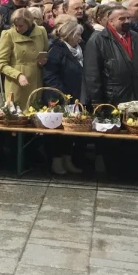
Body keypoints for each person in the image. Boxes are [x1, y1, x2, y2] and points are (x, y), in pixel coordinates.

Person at [83, 6, 138, 109]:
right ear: (111, 21)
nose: (127, 21)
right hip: (113, 98)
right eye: (121, 19)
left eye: (128, 18)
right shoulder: (98, 40)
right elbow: (92, 73)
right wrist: (96, 100)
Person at [44, 15, 86, 174]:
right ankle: (56, 161)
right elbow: (50, 75)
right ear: (68, 35)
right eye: (77, 35)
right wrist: (62, 95)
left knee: (71, 131)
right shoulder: (56, 50)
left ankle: (68, 160)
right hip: (59, 97)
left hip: (76, 96)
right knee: (57, 132)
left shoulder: (79, 50)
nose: (81, 39)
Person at [0, 8, 48, 108]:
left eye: (21, 26)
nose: (17, 28)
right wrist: (18, 75)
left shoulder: (41, 31)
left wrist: (43, 61)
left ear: (29, 23)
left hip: (36, 82)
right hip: (16, 85)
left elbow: (45, 51)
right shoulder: (8, 35)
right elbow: (1, 63)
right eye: (15, 25)